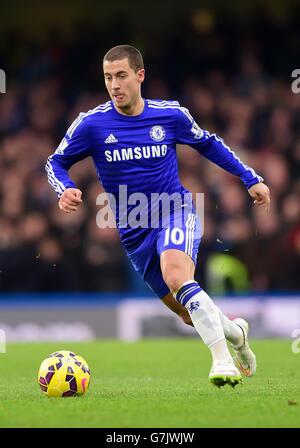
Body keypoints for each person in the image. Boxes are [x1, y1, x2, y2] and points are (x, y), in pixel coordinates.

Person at [46, 45, 271, 387]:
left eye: (121, 76)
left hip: (175, 211)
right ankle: (236, 332)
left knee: (178, 276)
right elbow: (55, 162)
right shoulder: (92, 124)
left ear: (140, 75)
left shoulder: (170, 116)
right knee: (185, 312)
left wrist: (249, 177)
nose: (114, 85)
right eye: (108, 77)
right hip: (133, 231)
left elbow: (208, 143)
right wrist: (63, 187)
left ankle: (222, 362)